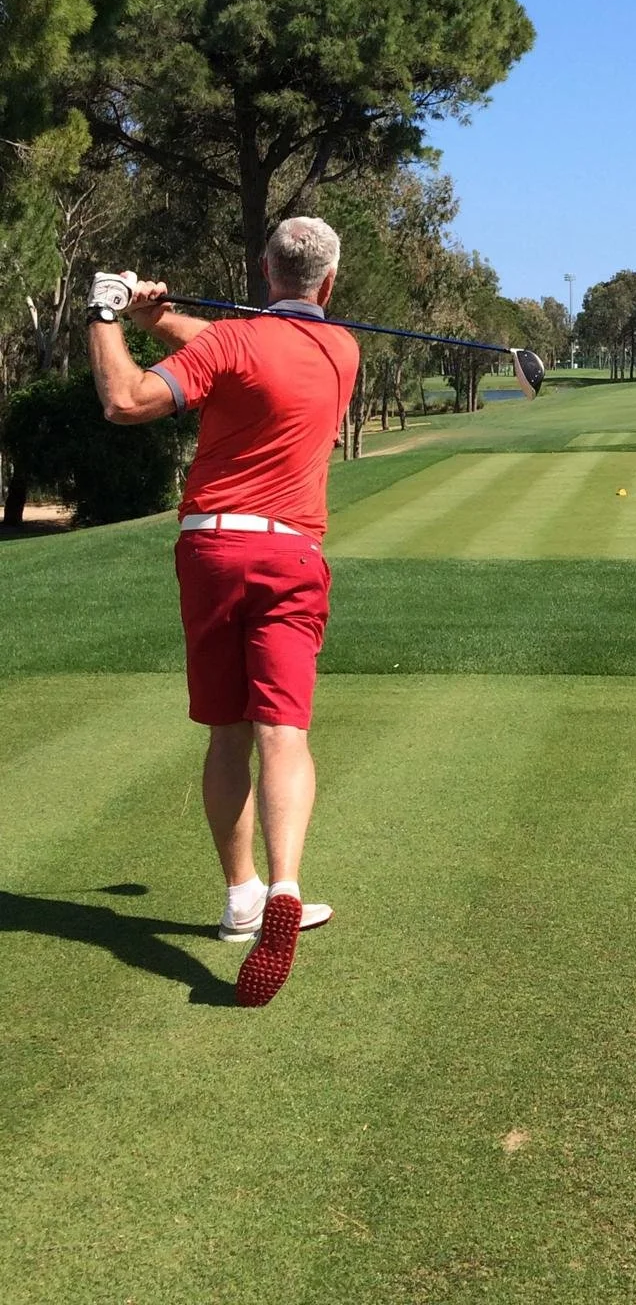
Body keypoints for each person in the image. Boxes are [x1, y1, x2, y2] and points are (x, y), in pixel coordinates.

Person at [86, 217, 360, 1007]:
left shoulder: (230, 346)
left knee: (226, 731)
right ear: (330, 285)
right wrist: (161, 317)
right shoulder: (343, 350)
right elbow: (255, 345)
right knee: (284, 731)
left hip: (210, 550)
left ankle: (239, 896)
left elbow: (127, 400)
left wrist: (107, 315)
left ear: (263, 269)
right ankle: (283, 889)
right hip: (290, 556)